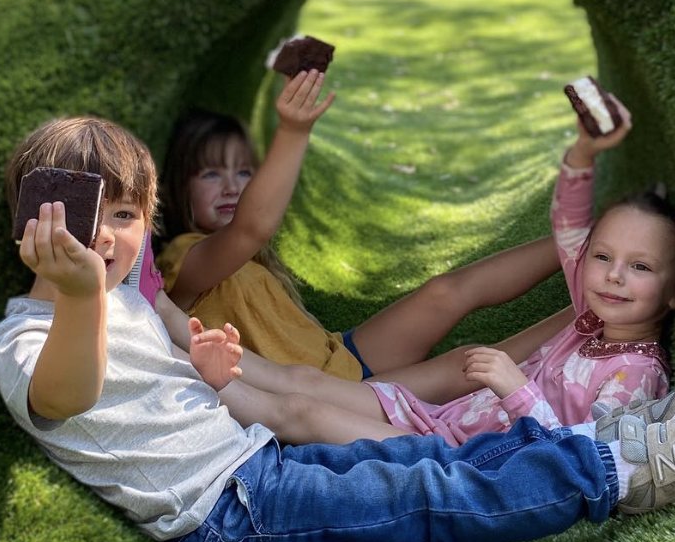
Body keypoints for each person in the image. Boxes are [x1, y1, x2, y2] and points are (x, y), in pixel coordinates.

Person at [0, 115, 675, 542]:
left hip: (264, 465)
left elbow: (172, 324)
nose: (109, 237)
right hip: (230, 520)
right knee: (428, 490)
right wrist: (83, 297)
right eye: (86, 213)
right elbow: (64, 395)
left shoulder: (126, 293)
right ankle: (622, 468)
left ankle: (596, 441)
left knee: (425, 463)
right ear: (32, 220)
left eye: (127, 217)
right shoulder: (22, 338)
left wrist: (205, 359)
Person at [207, 91, 675, 447]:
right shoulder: (590, 314)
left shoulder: (634, 374)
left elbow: (581, 460)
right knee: (308, 384)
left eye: (639, 266)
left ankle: (200, 384)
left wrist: (516, 388)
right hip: (440, 419)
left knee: (303, 413)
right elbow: (570, 226)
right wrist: (583, 153)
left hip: (462, 461)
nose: (613, 275)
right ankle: (184, 345)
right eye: (603, 257)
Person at [155, 68, 567, 385]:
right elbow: (251, 228)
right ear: (177, 186)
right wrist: (294, 131)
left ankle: (580, 243)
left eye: (244, 172)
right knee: (472, 365)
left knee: (445, 291)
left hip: (343, 354)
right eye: (211, 174)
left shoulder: (250, 260)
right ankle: (588, 318)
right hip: (334, 395)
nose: (231, 186)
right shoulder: (183, 262)